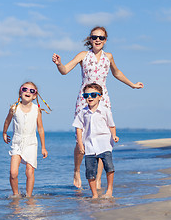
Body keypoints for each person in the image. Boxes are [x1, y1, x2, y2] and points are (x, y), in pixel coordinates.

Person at [52, 26, 143, 189]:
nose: (98, 40)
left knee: (103, 140)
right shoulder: (83, 55)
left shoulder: (109, 57)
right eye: (95, 37)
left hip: (103, 99)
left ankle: (99, 177)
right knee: (81, 139)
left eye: (101, 38)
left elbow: (117, 73)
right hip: (84, 99)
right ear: (90, 39)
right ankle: (77, 171)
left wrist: (132, 85)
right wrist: (59, 63)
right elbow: (65, 71)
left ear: (105, 40)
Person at [2, 81, 51, 197]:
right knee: (13, 173)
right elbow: (7, 121)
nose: (28, 92)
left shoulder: (36, 109)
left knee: (29, 171)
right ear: (20, 92)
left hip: (31, 143)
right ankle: (16, 195)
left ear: (35, 95)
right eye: (25, 89)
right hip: (17, 142)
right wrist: (4, 132)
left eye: (31, 90)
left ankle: (29, 196)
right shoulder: (14, 108)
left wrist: (43, 147)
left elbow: (40, 129)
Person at [73, 83, 119, 198]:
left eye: (93, 95)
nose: (90, 97)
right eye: (86, 95)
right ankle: (94, 194)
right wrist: (80, 144)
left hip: (104, 143)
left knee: (109, 167)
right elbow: (78, 128)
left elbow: (111, 125)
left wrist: (114, 136)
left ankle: (109, 190)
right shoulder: (82, 112)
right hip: (89, 145)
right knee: (90, 171)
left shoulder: (105, 110)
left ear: (100, 96)